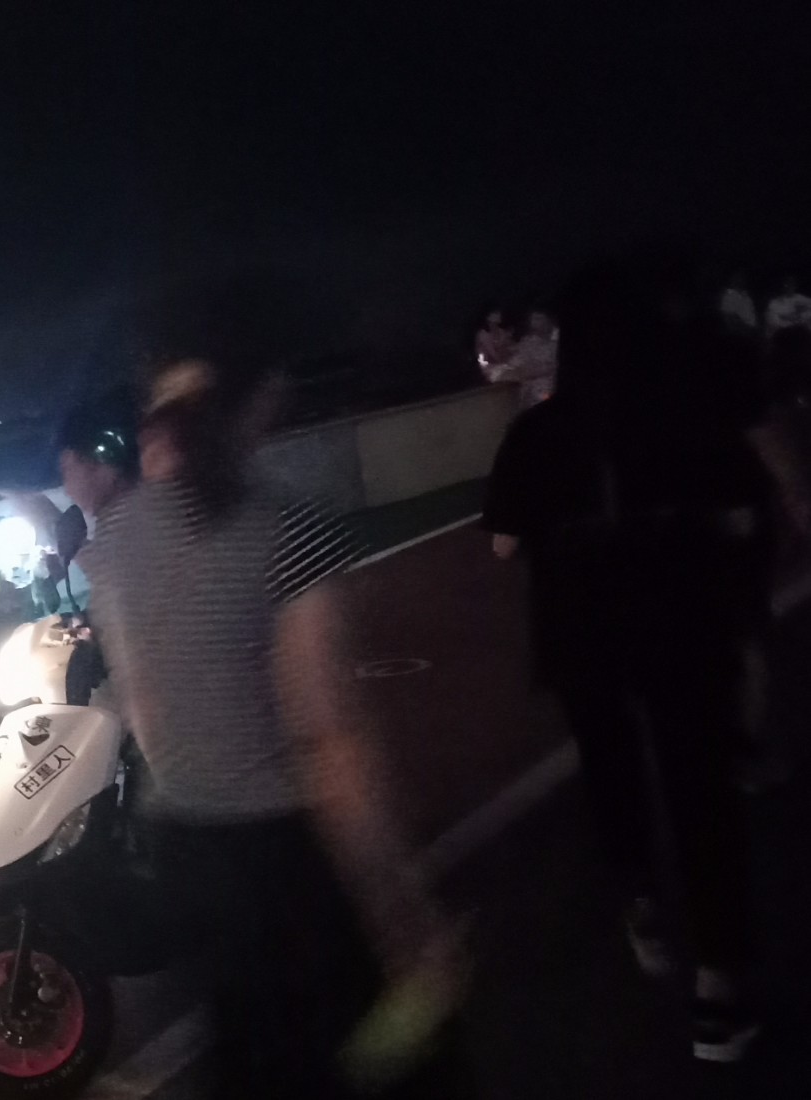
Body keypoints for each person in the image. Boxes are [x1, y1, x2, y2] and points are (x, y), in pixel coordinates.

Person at [77, 328, 466, 1095]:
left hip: (183, 843)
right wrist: (404, 911)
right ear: (262, 399)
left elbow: (140, 704)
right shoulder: (290, 531)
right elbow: (330, 743)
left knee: (250, 1060)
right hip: (284, 859)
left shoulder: (114, 540)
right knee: (381, 1062)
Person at [482, 256, 799, 1063]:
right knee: (703, 794)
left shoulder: (539, 430)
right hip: (682, 623)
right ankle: (718, 992)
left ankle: (642, 904)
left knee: (611, 772)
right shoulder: (686, 417)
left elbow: (504, 542)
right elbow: (743, 506)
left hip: (581, 630)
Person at [496, 307, 558, 410]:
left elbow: (550, 367)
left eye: (538, 319)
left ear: (548, 320)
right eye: (533, 319)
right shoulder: (528, 342)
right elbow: (514, 361)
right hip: (528, 394)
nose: (534, 323)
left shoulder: (554, 343)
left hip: (545, 391)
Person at [473, 305, 517, 384]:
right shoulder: (482, 335)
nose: (499, 315)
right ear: (488, 317)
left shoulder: (503, 332)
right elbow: (483, 358)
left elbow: (511, 350)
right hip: (489, 369)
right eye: (495, 313)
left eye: (498, 313)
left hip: (506, 366)